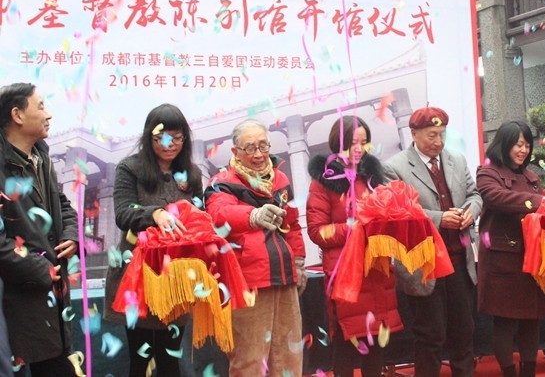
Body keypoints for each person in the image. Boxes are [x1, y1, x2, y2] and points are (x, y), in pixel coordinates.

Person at [103, 103, 204, 377]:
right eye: (161, 138)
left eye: (177, 137)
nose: (170, 145)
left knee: (170, 359)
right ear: (149, 137)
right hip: (140, 275)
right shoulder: (130, 168)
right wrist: (155, 213)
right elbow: (123, 213)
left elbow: (199, 216)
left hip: (177, 278)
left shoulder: (192, 174)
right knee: (143, 360)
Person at [383, 106, 482, 377]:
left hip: (459, 259)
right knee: (431, 334)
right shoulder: (394, 167)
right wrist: (440, 219)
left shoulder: (456, 160)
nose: (438, 142)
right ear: (413, 134)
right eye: (431, 136)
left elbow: (474, 195)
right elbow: (397, 213)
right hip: (424, 264)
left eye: (442, 135)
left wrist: (470, 211)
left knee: (464, 328)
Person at [204, 119, 306, 377]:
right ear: (235, 151)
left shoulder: (280, 178)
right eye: (250, 148)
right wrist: (252, 216)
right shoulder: (221, 181)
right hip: (247, 281)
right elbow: (219, 214)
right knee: (249, 358)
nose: (259, 154)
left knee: (289, 354)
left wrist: (299, 262)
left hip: (284, 276)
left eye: (263, 146)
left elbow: (292, 225)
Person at [306, 116, 403, 377]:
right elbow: (317, 231)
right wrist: (356, 226)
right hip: (346, 273)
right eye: (352, 143)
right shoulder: (323, 182)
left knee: (374, 343)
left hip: (375, 269)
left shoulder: (373, 176)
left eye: (364, 142)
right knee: (347, 343)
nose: (358, 149)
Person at [0, 82, 79, 376]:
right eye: (42, 106)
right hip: (15, 298)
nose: (49, 115)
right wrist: (39, 269)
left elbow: (62, 204)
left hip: (52, 296)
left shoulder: (42, 158)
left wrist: (70, 234)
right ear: (17, 115)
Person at [476, 120, 545, 377]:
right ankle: (509, 372)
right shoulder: (487, 172)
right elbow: (497, 198)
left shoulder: (531, 177)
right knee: (504, 321)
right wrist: (540, 201)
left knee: (531, 319)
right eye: (518, 144)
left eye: (527, 145)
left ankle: (528, 371)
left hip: (533, 257)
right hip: (503, 259)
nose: (523, 150)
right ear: (504, 144)